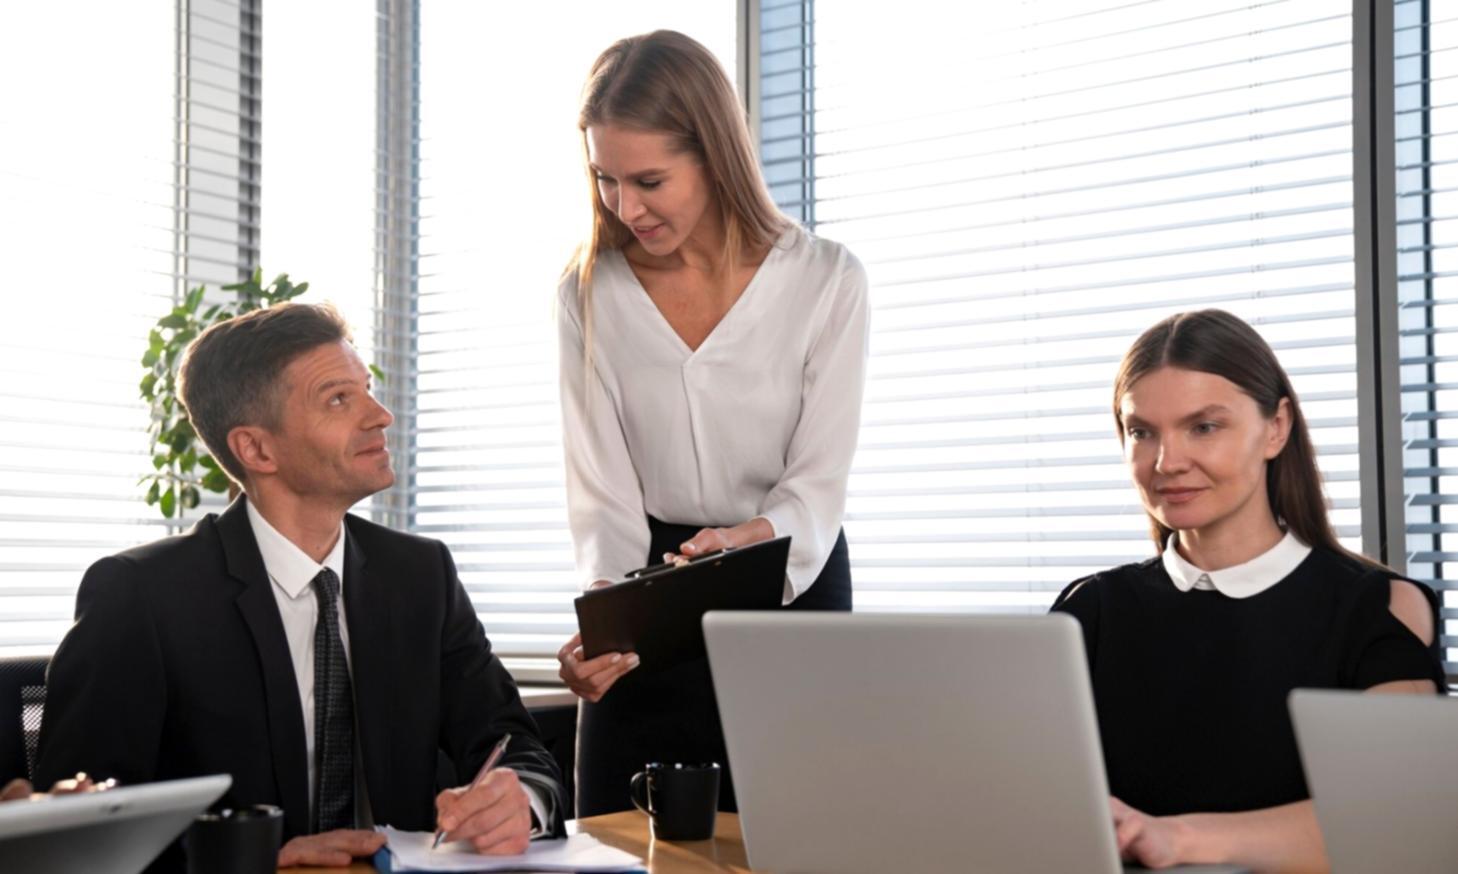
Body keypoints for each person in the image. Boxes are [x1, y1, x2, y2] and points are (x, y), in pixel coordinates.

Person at [35, 303, 566, 871]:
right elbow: (73, 836)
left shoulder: (420, 575)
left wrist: (520, 800)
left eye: (367, 391)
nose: (381, 415)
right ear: (257, 449)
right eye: (338, 399)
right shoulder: (142, 595)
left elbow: (511, 742)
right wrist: (254, 855)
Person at [553, 30, 870, 816]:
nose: (626, 207)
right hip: (648, 595)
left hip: (789, 586)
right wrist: (606, 617)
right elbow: (602, 495)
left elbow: (817, 484)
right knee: (619, 846)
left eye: (649, 180)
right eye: (605, 179)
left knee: (796, 840)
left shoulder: (827, 281)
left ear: (715, 154)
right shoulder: (588, 292)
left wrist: (748, 540)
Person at [1052, 309, 1446, 871]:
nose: (1167, 462)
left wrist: (1178, 838)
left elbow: (1397, 823)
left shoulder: (1379, 609)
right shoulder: (1089, 612)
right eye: (1141, 432)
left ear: (1276, 427)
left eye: (1203, 427)